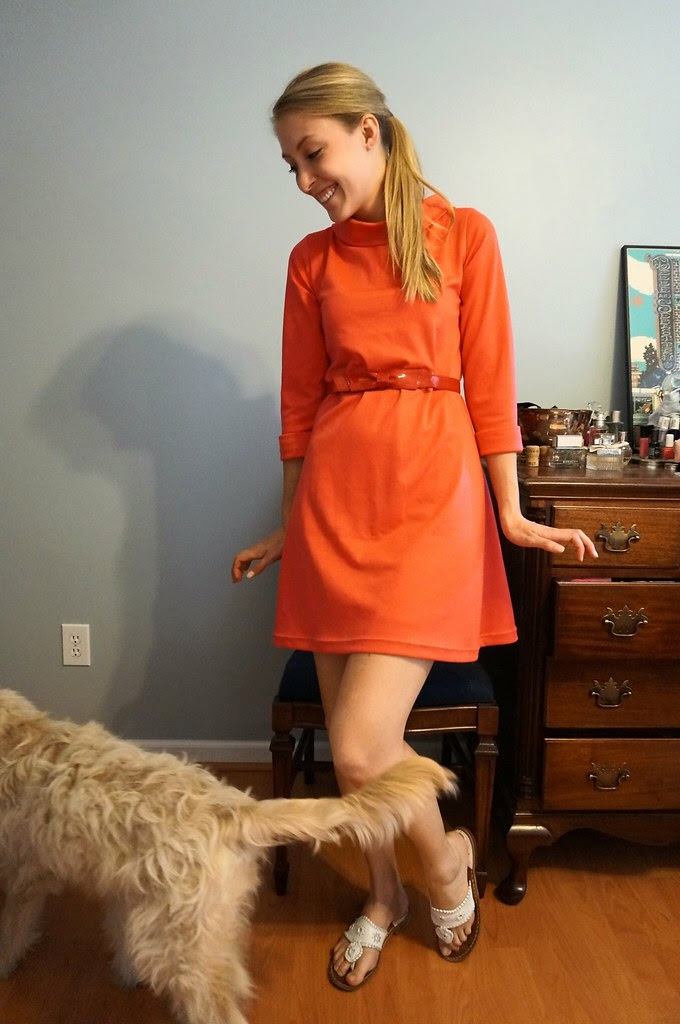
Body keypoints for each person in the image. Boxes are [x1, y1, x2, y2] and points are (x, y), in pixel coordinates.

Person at [232, 62, 597, 990]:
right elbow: (299, 406)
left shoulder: (463, 234)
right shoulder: (310, 260)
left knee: (362, 746)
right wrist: (288, 526)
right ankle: (384, 893)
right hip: (333, 507)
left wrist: (510, 511)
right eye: (290, 165)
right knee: (354, 754)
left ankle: (445, 867)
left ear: (369, 132)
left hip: (431, 502)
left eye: (312, 154)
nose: (304, 179)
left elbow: (492, 385)